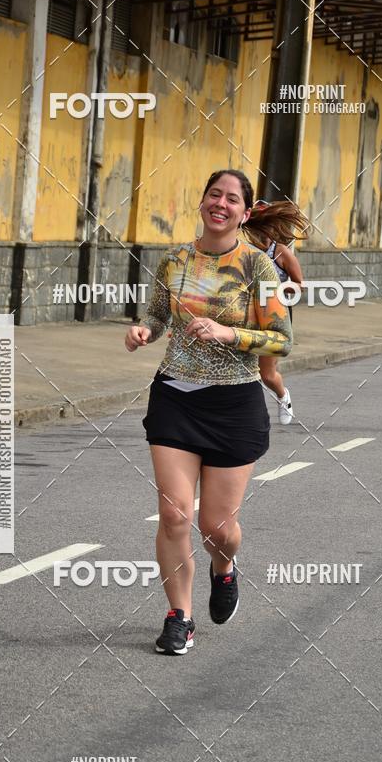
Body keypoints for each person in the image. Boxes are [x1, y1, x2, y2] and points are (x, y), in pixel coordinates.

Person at [125, 169, 292, 655]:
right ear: (202, 201)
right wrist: (143, 333)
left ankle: (225, 568)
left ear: (245, 211)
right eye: (214, 194)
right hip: (175, 398)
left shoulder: (258, 267)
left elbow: (281, 338)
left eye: (232, 198)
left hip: (234, 404)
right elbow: (158, 315)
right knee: (174, 514)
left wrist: (229, 335)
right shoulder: (176, 259)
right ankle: (180, 616)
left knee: (217, 528)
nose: (221, 203)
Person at [244, 199, 308, 424]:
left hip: (273, 317)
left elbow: (300, 284)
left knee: (266, 374)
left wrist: (278, 289)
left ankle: (283, 396)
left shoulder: (281, 253)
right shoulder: (243, 250)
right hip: (246, 315)